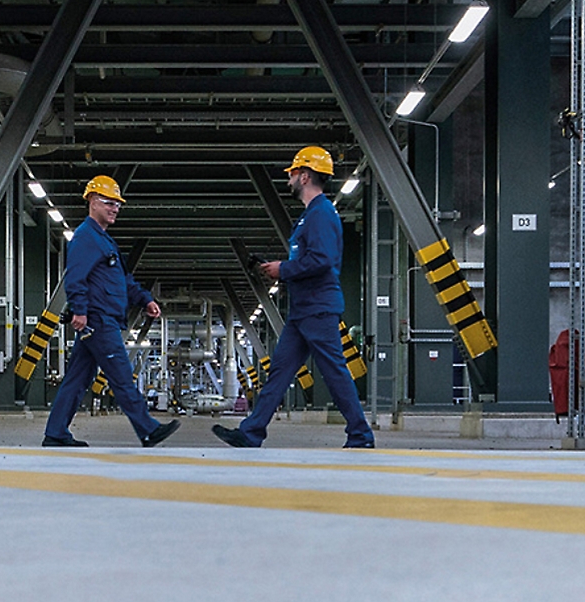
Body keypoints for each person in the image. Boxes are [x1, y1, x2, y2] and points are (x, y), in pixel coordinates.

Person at [212, 146, 375, 449]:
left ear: (305, 175)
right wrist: (278, 268)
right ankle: (251, 433)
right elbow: (312, 258)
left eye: (292, 173)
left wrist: (282, 268)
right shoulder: (310, 216)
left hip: (318, 308)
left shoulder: (322, 213)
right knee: (279, 372)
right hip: (303, 311)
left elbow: (323, 260)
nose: (288, 178)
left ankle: (361, 435)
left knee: (335, 372)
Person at [42, 175, 180, 448]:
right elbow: (75, 277)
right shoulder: (85, 237)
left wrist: (145, 300)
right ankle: (148, 429)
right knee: (120, 374)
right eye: (108, 203)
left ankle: (56, 433)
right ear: (92, 202)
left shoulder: (104, 241)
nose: (115, 208)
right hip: (97, 320)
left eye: (117, 204)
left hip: (103, 319)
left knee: (76, 380)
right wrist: (79, 310)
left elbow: (123, 281)